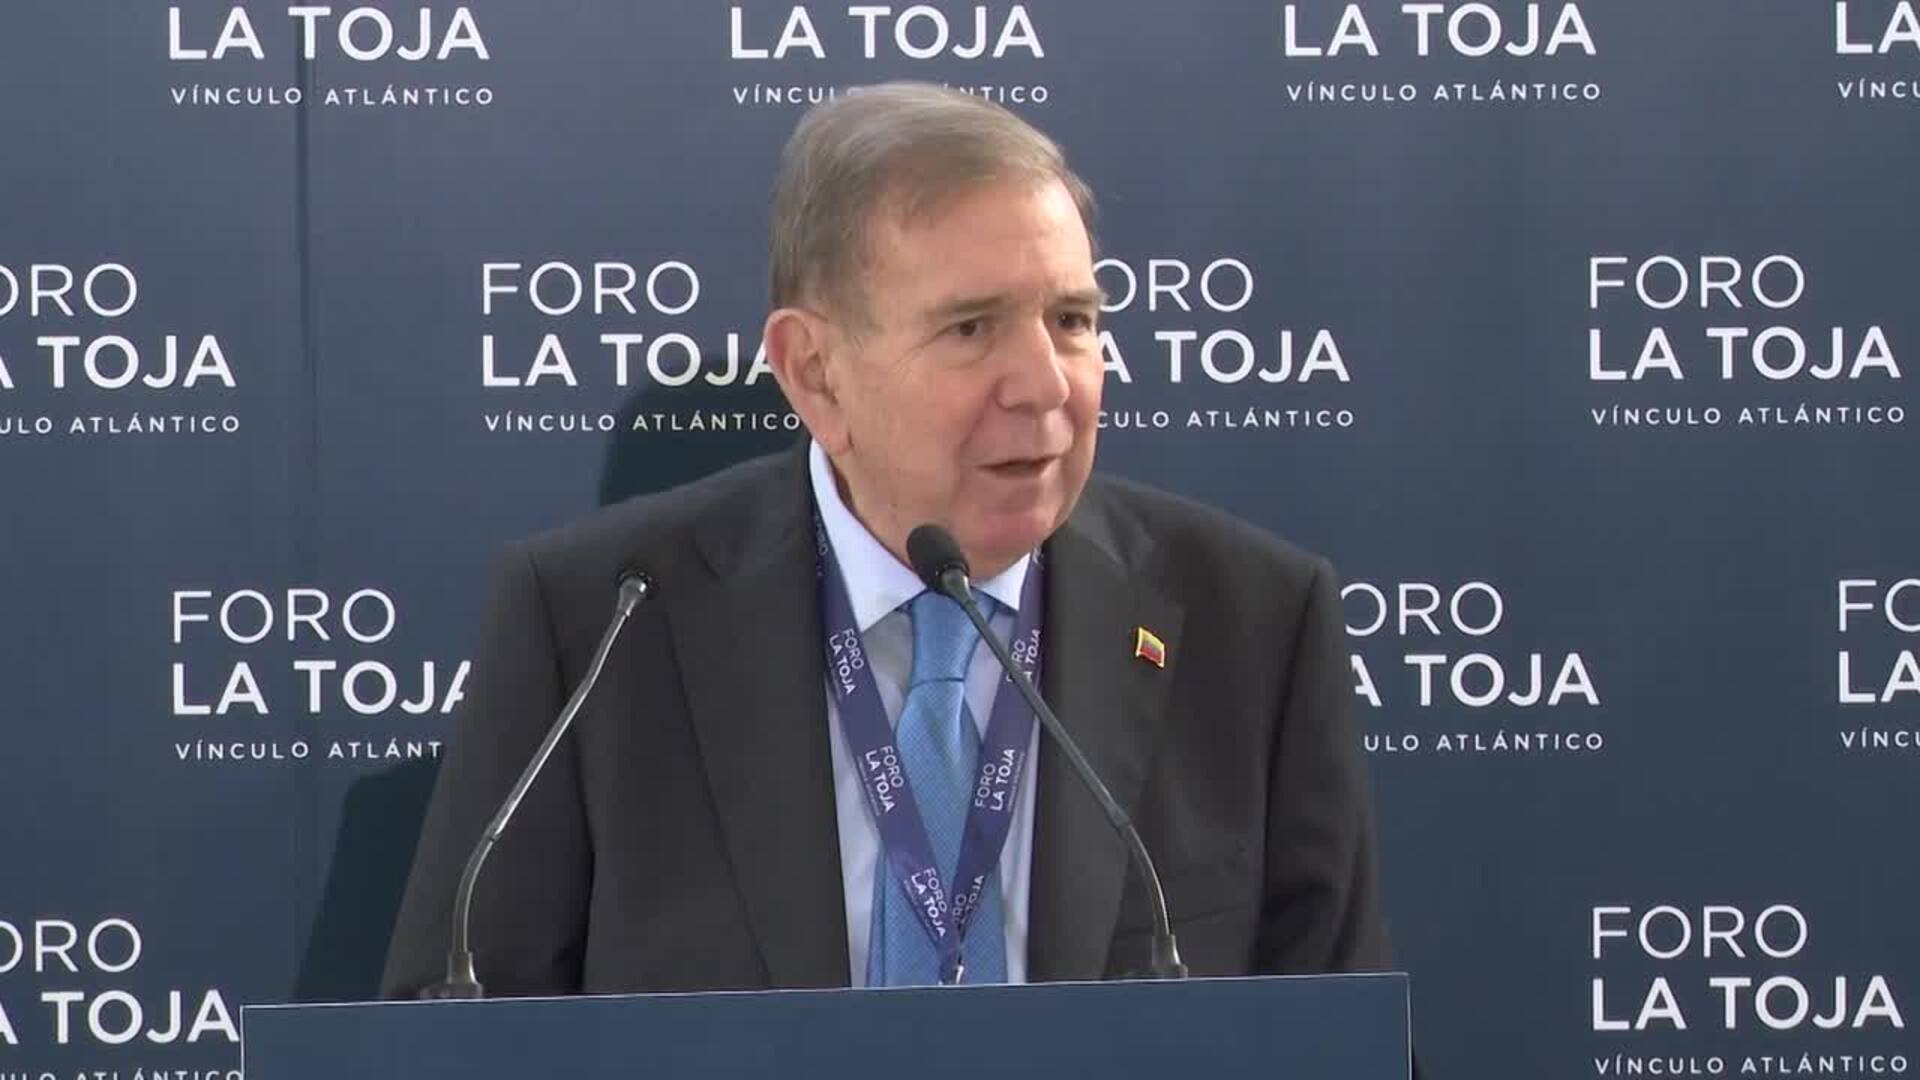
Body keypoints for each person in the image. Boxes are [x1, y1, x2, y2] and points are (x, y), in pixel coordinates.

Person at [381, 82, 1391, 997]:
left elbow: (1351, 1045)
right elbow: (448, 1037)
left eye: (1073, 320)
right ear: (814, 373)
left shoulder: (1252, 624)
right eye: (971, 328)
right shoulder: (599, 624)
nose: (1045, 385)